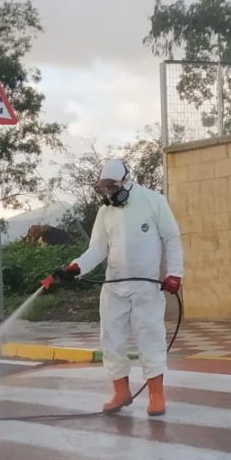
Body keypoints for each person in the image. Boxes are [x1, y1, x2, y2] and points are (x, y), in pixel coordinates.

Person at [58, 158, 183, 416]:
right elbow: (97, 249)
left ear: (126, 180)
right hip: (114, 286)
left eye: (112, 187)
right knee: (112, 339)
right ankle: (120, 392)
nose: (109, 193)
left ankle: (156, 395)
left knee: (150, 337)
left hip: (146, 286)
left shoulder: (153, 201)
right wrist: (77, 267)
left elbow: (171, 238)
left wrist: (174, 274)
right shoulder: (105, 213)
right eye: (105, 189)